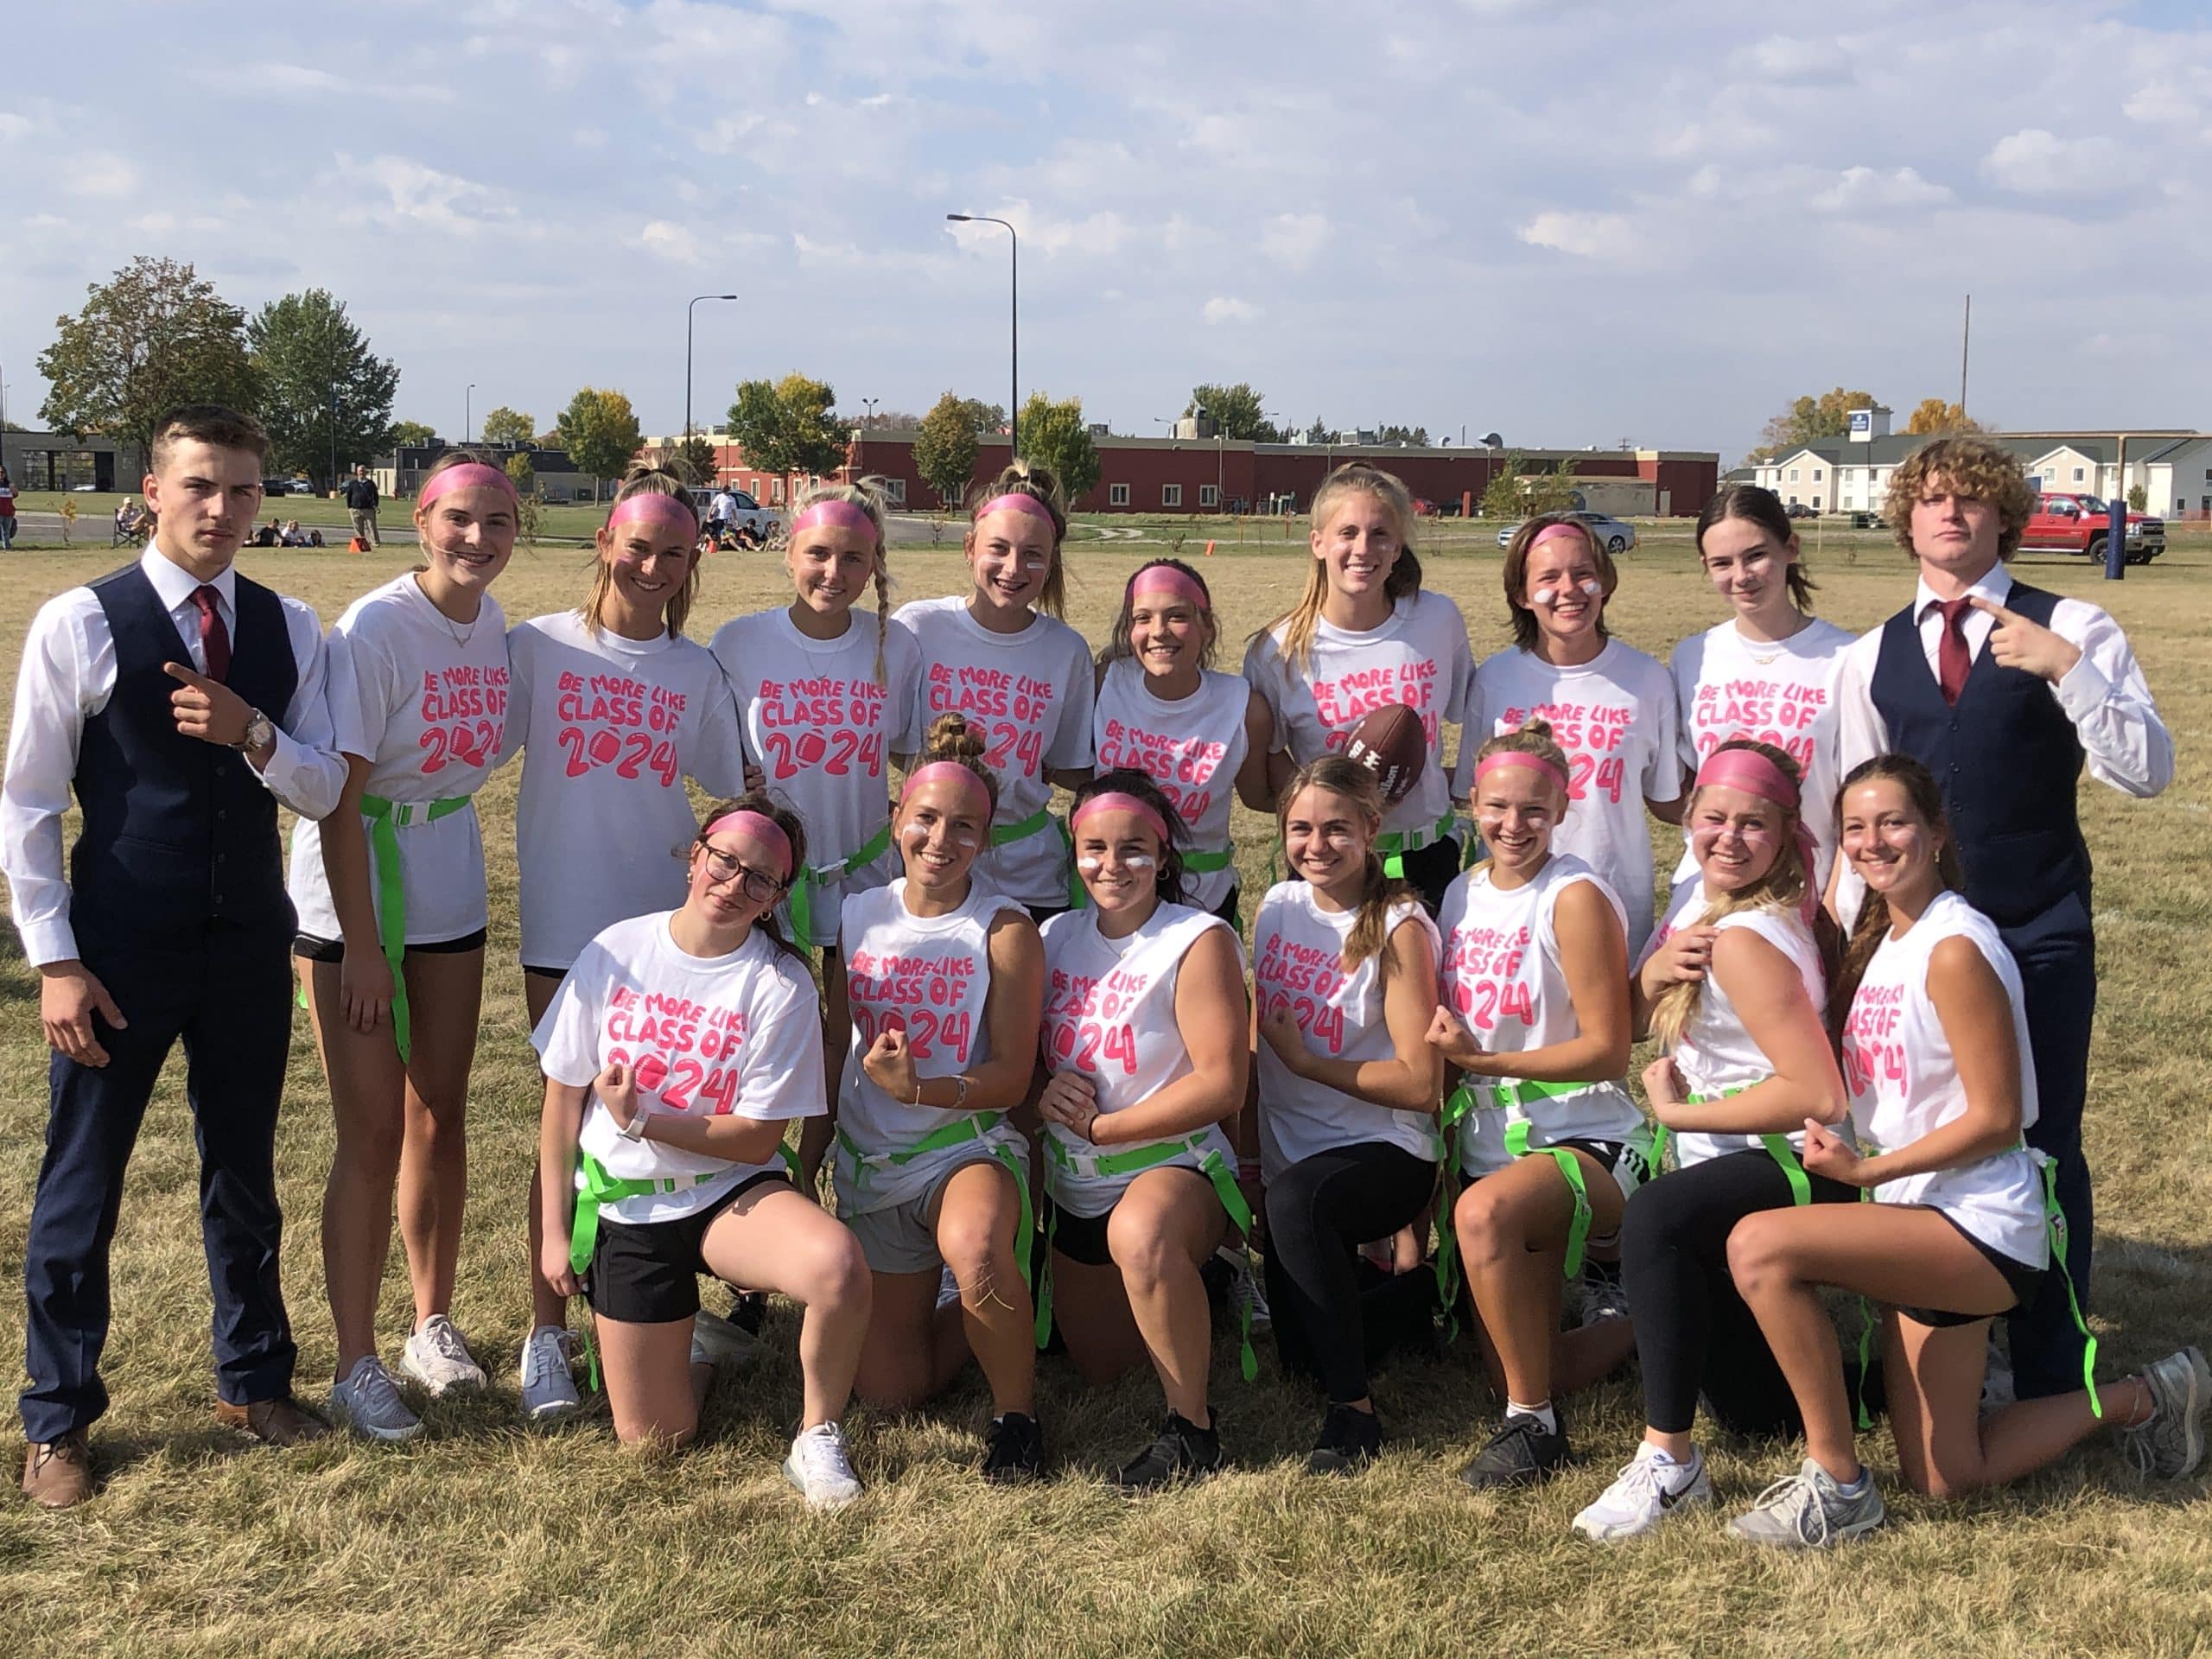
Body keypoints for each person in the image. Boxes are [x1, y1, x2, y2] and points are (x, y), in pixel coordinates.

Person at [1718, 755, 2205, 1548]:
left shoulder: (1953, 947)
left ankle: (1838, 1486)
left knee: (1760, 1248)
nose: (1874, 842)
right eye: (1855, 828)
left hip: (1978, 1224)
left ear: (1938, 832)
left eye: (1894, 822)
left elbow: (1998, 1119)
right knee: (1948, 1477)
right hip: (1917, 1214)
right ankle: (2147, 1396)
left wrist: (1867, 1171)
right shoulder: (1888, 941)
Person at [2, 405, 346, 1507]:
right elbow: (26, 805)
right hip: (118, 947)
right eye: (200, 484)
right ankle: (57, 1418)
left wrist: (255, 732)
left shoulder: (292, 627)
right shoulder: (81, 619)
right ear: (152, 490)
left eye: (243, 489)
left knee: (244, 1169)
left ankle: (255, 1380)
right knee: (83, 1178)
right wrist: (56, 960)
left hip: (246, 940)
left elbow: (326, 785)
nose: (222, 508)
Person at [1832, 435, 2171, 1405]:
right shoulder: (1869, 656)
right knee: (1920, 1132)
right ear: (1907, 520)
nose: (1952, 514)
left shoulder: (2074, 624)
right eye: (1933, 499)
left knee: (2041, 1137)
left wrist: (2068, 670)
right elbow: (1855, 810)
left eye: (1972, 500)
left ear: (2004, 518)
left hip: (2036, 925)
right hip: (1918, 946)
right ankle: (1941, 1337)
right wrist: (1850, 942)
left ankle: (2051, 1365)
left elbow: (2146, 772)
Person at [535, 796, 874, 1506]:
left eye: (761, 878)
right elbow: (562, 1100)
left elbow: (756, 1138)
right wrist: (556, 1233)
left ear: (776, 898)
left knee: (838, 1266)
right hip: (628, 1205)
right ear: (695, 857)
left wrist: (644, 1121)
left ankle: (817, 1434)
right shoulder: (617, 950)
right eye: (725, 861)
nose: (735, 884)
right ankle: (698, 1345)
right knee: (654, 1440)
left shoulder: (779, 982)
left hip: (728, 1192)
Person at [499, 469, 746, 1420]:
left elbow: (733, 786)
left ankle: (651, 1307)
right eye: (637, 546)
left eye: (673, 552)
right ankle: (546, 1332)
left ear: (693, 560)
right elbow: (469, 747)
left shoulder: (696, 671)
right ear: (605, 541)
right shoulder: (538, 647)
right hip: (565, 923)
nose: (652, 566)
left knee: (654, 1118)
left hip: (664, 931)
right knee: (565, 1122)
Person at [288, 449, 516, 1440]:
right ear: (420, 522)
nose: (477, 538)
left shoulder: (493, 622)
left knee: (440, 1114)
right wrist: (364, 947)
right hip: (356, 897)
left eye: (497, 522)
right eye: (458, 518)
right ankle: (354, 1362)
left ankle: (431, 1324)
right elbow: (339, 799)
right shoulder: (376, 627)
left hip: (447, 882)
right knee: (372, 1132)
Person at [1568, 739, 1848, 1542]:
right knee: (1757, 1413)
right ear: (1688, 816)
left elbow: (1818, 1094)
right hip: (1730, 1160)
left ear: (1786, 832)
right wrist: (1653, 975)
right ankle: (1919, 1380)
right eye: (1714, 818)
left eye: (1753, 823)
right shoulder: (1703, 904)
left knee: (1657, 1217)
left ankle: (1669, 1461)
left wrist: (1680, 1116)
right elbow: (1630, 1023)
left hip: (1791, 1162)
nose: (1729, 837)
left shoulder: (1747, 938)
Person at [1427, 718, 1649, 1488]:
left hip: (1589, 1139)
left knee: (1484, 1214)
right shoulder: (1460, 892)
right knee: (1525, 1364)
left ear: (1562, 809)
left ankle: (1535, 1430)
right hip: (1492, 1146)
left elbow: (1608, 1050)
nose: (1512, 825)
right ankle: (1654, 1318)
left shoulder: (1574, 895)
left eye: (1532, 810)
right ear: (1472, 804)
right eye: (1496, 807)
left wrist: (1485, 1062)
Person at [832, 715, 1047, 1480]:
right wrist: (805, 1155)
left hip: (966, 1147)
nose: (940, 840)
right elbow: (832, 1045)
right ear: (897, 820)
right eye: (925, 818)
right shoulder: (857, 914)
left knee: (978, 1254)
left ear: (985, 840)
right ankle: (1013, 1301)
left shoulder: (1004, 928)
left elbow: (1014, 1079)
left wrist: (920, 1088)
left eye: (964, 827)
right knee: (893, 1393)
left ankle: (1016, 1418)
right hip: (872, 1161)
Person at [1038, 771, 1249, 1489]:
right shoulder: (1054, 936)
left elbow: (1222, 1083)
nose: (1112, 865)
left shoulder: (1196, 937)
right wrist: (1043, 1091)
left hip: (1172, 1165)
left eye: (1133, 848)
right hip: (1076, 1182)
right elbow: (1027, 1062)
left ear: (1162, 857)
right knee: (1103, 1368)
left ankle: (1193, 1430)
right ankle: (1205, 1287)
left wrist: (1107, 1127)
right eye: (1094, 848)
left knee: (1142, 1236)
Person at [712, 480, 922, 1185]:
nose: (835, 572)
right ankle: (751, 1181)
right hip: (767, 881)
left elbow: (909, 756)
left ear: (875, 564)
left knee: (843, 1039)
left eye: (854, 558)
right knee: (761, 1032)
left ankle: (808, 1173)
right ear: (788, 553)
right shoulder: (739, 643)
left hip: (864, 878)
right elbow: (717, 754)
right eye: (819, 554)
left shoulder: (897, 646)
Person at [1251, 755, 1443, 1473]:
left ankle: (1354, 1415)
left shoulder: (1398, 925)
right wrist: (1247, 1156)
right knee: (1300, 1359)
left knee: (1299, 1205)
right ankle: (1416, 1295)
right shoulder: (1277, 906)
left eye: (1336, 828)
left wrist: (1308, 1064)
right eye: (1300, 828)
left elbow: (1421, 1084)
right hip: (1291, 1156)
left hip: (1384, 1151)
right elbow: (1260, 1036)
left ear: (1371, 827)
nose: (1317, 845)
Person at [1243, 462, 1476, 914]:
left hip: (1424, 854)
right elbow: (1270, 757)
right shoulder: (1278, 651)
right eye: (1347, 533)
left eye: (1380, 534)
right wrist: (1329, 802)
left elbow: (1467, 711)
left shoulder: (1436, 620)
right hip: (1327, 859)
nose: (1363, 548)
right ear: (1318, 543)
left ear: (1398, 547)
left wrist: (1438, 782)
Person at [1466, 514, 1681, 957]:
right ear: (1521, 594)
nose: (1569, 589)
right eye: (1549, 577)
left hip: (1615, 900)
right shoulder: (1493, 680)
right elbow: (1472, 795)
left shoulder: (1647, 680)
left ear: (1605, 582)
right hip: (1512, 910)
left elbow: (1665, 798)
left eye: (1583, 573)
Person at [893, 462, 1095, 922]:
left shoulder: (1066, 651)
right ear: (970, 547)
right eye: (998, 549)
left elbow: (1067, 764)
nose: (1013, 568)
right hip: (934, 866)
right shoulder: (920, 628)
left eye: (1033, 554)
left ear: (1052, 561)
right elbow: (892, 741)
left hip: (1030, 876)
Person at [1669, 484, 1853, 896]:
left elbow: (1856, 801)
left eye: (1755, 556)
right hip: (1709, 888)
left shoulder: (1846, 658)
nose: (1741, 576)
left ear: (1791, 548)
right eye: (1722, 563)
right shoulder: (1693, 656)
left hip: (1805, 888)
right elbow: (1687, 784)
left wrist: (1832, 906)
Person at [1094, 557, 1274, 925]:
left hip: (1200, 900)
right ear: (1128, 629)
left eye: (1177, 616)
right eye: (1143, 618)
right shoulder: (1105, 684)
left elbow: (1258, 796)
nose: (1159, 631)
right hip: (1111, 894)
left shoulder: (1242, 707)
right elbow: (1073, 769)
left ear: (1206, 626)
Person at [344, 464, 381, 548]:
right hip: (355, 510)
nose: (362, 473)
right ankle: (361, 544)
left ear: (366, 472)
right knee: (358, 529)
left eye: (363, 471)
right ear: (357, 472)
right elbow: (349, 495)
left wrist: (375, 506)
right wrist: (350, 507)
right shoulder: (353, 483)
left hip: (368, 509)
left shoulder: (370, 484)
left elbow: (375, 496)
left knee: (372, 527)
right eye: (360, 471)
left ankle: (375, 543)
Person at [0, 465, 18, 549]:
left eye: (2, 472)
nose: (1, 474)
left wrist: (13, 489)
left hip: (8, 512)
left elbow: (15, 494)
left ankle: (7, 546)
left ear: (5, 474)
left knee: (6, 531)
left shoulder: (9, 484)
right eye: (0, 472)